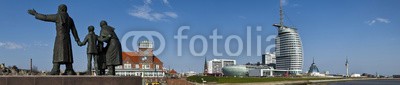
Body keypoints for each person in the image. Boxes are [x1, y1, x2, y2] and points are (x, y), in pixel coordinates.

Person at [28, 4, 80, 75]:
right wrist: (77, 40)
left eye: (58, 9)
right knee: (67, 53)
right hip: (67, 39)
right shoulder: (70, 19)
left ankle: (56, 69)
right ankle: (69, 69)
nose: (57, 10)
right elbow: (74, 31)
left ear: (61, 9)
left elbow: (45, 17)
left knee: (57, 52)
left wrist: (35, 14)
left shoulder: (58, 16)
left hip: (59, 38)